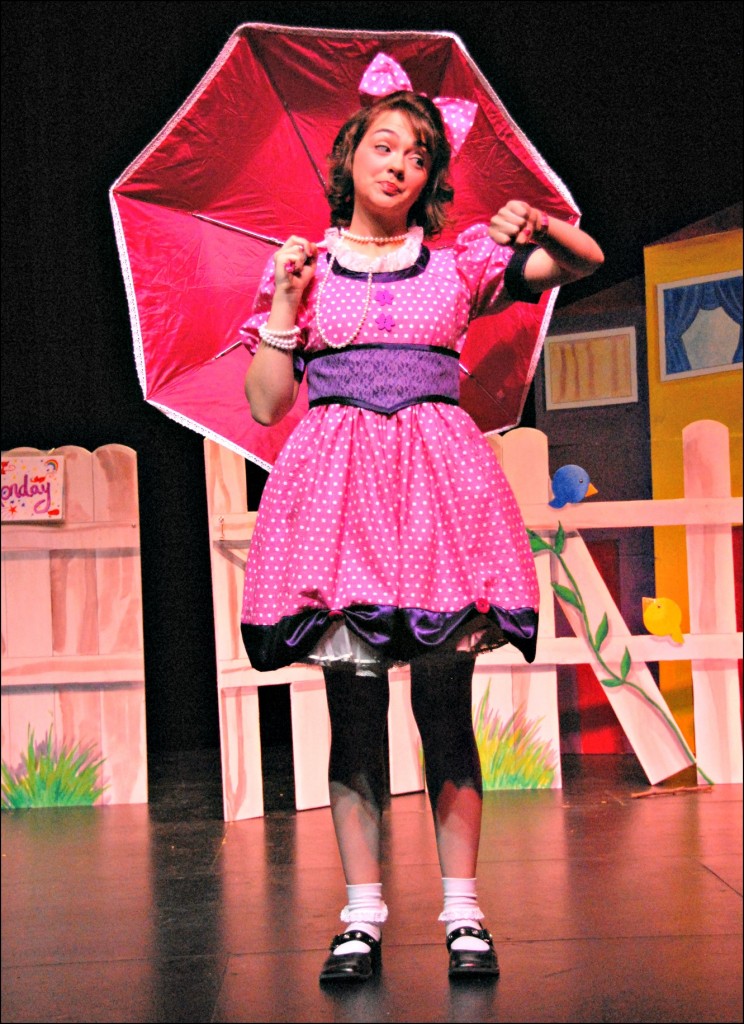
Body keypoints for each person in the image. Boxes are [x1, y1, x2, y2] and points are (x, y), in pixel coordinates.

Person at [239, 88, 603, 983]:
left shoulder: (458, 263)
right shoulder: (303, 268)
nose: (399, 162)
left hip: (440, 503)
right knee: (353, 711)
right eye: (384, 145)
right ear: (350, 156)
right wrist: (284, 308)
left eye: (418, 155)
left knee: (445, 707)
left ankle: (463, 912)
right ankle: (361, 914)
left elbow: (583, 259)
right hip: (339, 506)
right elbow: (265, 404)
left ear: (429, 180)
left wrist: (541, 217)